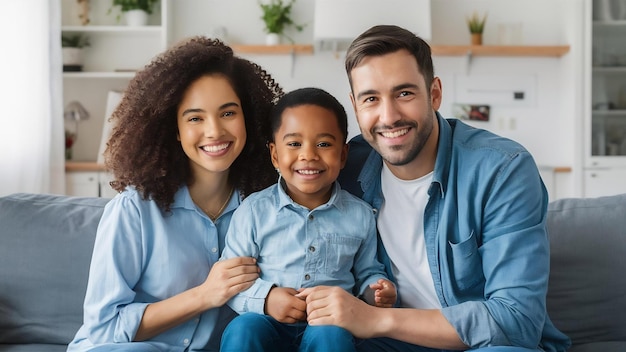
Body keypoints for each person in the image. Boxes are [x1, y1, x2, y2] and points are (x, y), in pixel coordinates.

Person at [297, 25, 572, 352]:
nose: (389, 116)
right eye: (371, 99)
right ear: (355, 106)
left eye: (404, 93)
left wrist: (375, 319)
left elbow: (517, 321)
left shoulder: (501, 169)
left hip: (481, 346)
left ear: (435, 93)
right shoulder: (345, 165)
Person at [67, 36, 283, 351]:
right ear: (175, 130)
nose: (214, 131)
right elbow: (104, 327)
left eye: (228, 113)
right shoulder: (134, 209)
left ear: (248, 118)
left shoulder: (267, 209)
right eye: (195, 117)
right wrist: (206, 294)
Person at [218, 87, 397, 352]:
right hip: (266, 322)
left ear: (343, 155)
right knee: (242, 329)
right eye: (294, 144)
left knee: (331, 337)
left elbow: (367, 271)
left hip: (329, 324)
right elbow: (231, 282)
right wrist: (266, 299)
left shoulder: (360, 214)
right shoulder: (253, 211)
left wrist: (377, 292)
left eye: (324, 144)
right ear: (275, 155)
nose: (309, 155)